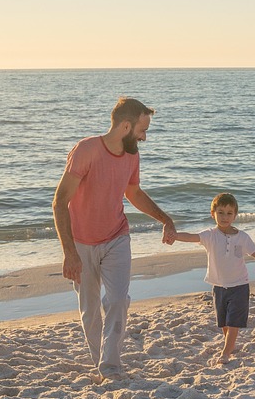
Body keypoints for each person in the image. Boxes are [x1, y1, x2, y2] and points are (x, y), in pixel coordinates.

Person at [52, 97, 177, 380]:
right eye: (142, 130)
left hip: (116, 237)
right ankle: (101, 361)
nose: (144, 137)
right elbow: (60, 202)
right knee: (90, 310)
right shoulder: (86, 151)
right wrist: (69, 252)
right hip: (81, 242)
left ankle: (110, 366)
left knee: (119, 300)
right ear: (125, 126)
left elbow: (133, 193)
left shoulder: (132, 155)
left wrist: (165, 219)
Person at [173, 192, 255, 367]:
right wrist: (173, 235)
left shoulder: (242, 237)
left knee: (234, 321)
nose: (224, 217)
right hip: (218, 286)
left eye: (229, 213)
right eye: (220, 212)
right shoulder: (209, 235)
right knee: (224, 323)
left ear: (235, 215)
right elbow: (191, 237)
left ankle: (226, 351)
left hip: (239, 285)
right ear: (213, 214)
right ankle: (230, 345)